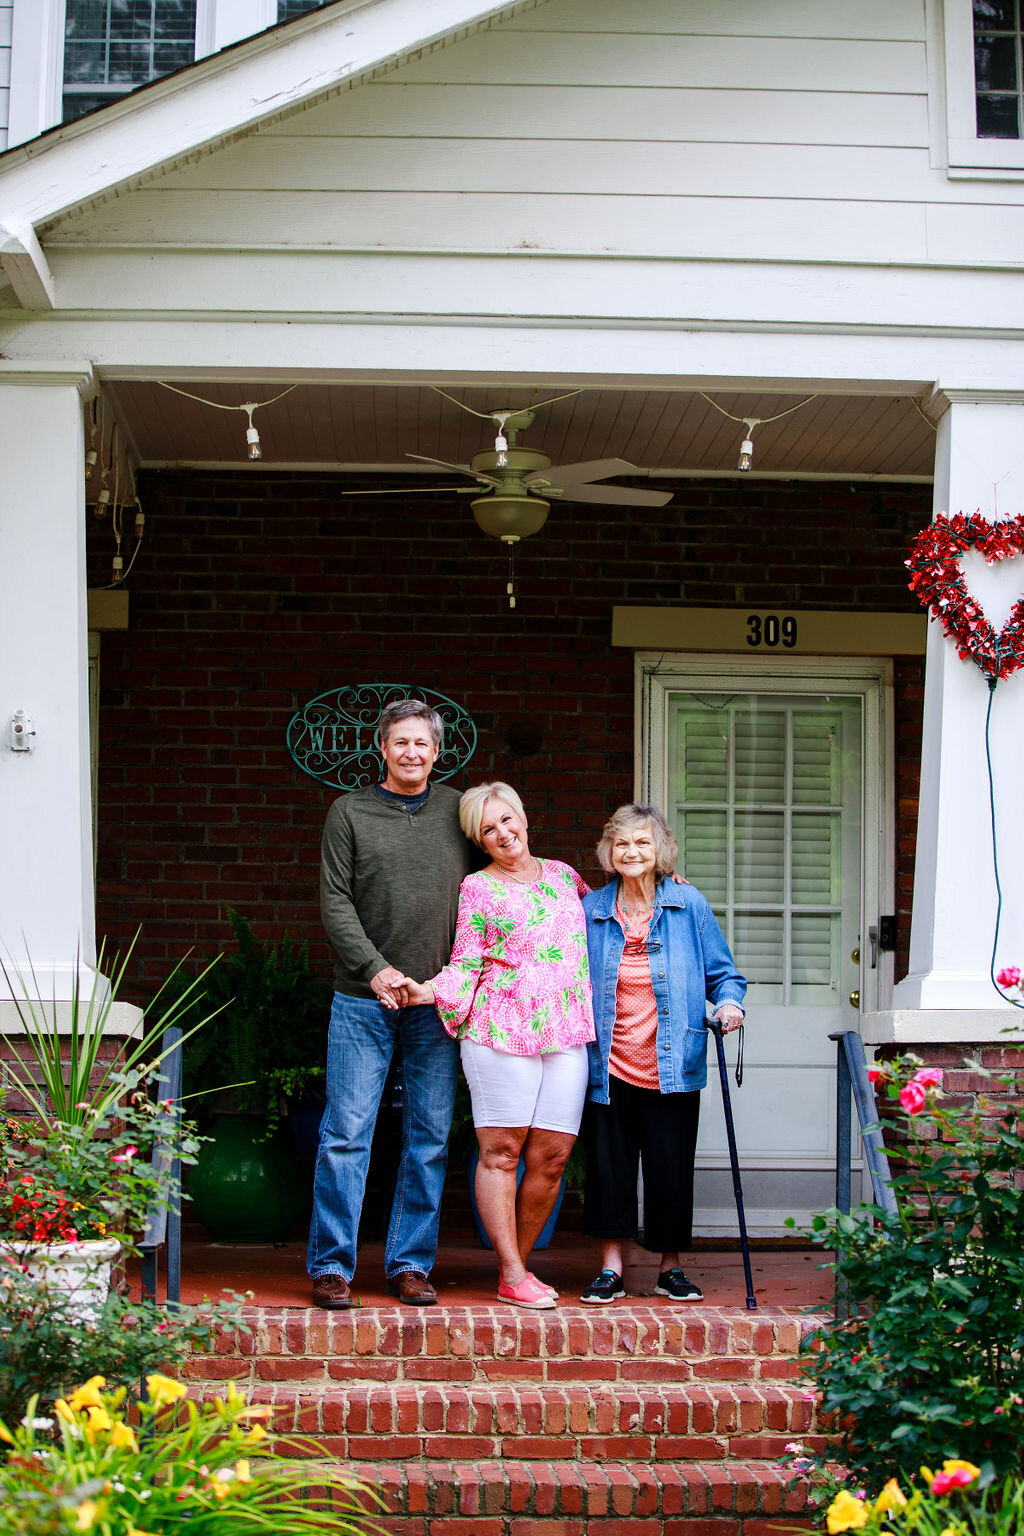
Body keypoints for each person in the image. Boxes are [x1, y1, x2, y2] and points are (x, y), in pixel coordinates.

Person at [392, 782, 595, 1310]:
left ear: (525, 818)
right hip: (500, 1032)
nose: (503, 834)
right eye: (488, 829)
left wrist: (662, 887)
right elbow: (467, 962)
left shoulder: (565, 878)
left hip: (566, 1032)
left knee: (552, 1158)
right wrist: (426, 992)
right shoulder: (478, 889)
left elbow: (615, 920)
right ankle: (511, 1269)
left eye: (507, 820)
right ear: (479, 841)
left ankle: (517, 1270)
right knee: (503, 1153)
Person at [306, 698, 476, 1309]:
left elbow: (500, 884)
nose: (411, 752)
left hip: (438, 1005)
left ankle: (410, 1264)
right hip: (362, 1001)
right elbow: (335, 903)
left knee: (429, 1137)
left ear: (436, 751)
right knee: (347, 1134)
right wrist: (377, 972)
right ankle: (331, 1267)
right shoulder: (348, 812)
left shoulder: (460, 811)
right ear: (383, 748)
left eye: (421, 744)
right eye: (399, 742)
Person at [580, 804, 746, 1304]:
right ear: (609, 852)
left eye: (642, 843)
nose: (632, 852)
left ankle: (669, 1269)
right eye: (622, 843)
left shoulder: (687, 904)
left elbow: (723, 972)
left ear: (660, 852)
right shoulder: (590, 910)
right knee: (609, 1169)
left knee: (669, 1167)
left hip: (672, 1064)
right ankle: (611, 1268)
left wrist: (731, 1004)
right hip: (608, 1063)